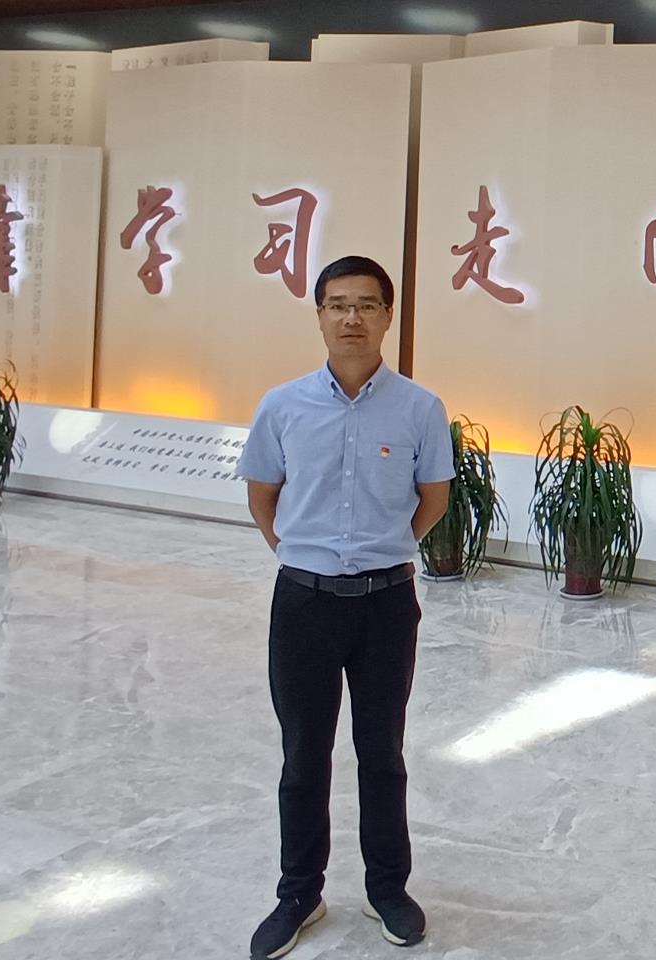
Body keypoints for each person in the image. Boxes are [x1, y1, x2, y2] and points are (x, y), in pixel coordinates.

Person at [237, 255, 452, 957]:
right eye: (337, 305)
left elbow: (433, 498)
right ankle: (299, 893)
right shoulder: (282, 405)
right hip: (303, 603)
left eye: (365, 305)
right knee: (304, 755)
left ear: (388, 316)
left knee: (382, 752)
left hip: (386, 605)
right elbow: (263, 496)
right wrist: (303, 555)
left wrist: (384, 549)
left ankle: (388, 889)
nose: (351, 318)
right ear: (320, 316)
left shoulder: (420, 408)